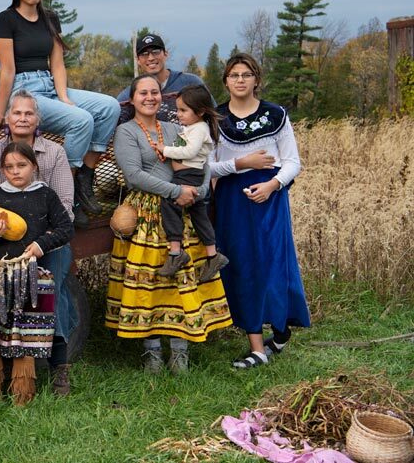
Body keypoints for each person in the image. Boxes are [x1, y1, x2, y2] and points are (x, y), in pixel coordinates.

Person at [106, 75, 232, 374]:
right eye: (143, 93)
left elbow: (202, 162)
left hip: (183, 210)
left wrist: (199, 193)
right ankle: (151, 352)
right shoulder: (126, 132)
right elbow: (134, 174)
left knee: (179, 282)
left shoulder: (178, 128)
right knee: (150, 282)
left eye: (154, 92)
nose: (149, 97)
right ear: (132, 99)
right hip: (149, 212)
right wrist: (176, 191)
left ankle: (179, 351)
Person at [0, 0, 120, 224]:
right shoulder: (6, 20)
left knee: (109, 107)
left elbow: (57, 63)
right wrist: (1, 115)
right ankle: (67, 192)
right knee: (81, 120)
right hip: (23, 91)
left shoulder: (50, 17)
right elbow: (7, 71)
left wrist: (65, 97)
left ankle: (85, 175)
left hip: (50, 86)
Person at [210, 53, 310, 369]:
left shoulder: (276, 115)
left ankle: (281, 329)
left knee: (275, 264)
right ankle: (257, 348)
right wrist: (240, 163)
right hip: (233, 202)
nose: (240, 80)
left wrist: (272, 185)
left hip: (270, 200)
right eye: (234, 75)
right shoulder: (216, 118)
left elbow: (293, 161)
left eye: (246, 74)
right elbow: (206, 167)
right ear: (225, 81)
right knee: (242, 267)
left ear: (256, 79)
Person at [0, 89, 82, 395]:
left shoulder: (53, 152)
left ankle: (60, 367)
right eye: (17, 112)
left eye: (29, 113)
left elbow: (64, 205)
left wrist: (42, 240)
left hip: (50, 240)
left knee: (50, 290)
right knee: (5, 295)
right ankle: (7, 364)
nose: (23, 118)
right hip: (9, 243)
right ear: (7, 117)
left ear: (37, 119)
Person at [0, 142, 72, 405]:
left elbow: (66, 229)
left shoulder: (46, 195)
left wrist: (42, 245)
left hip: (29, 274)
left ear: (34, 166)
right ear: (2, 170)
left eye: (21, 165)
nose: (15, 172)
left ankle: (22, 393)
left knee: (26, 333)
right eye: (9, 167)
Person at [155, 84, 229, 280]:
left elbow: (189, 152)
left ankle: (175, 252)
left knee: (169, 203)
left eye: (183, 110)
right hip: (191, 174)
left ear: (200, 111)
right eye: (177, 109)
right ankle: (212, 255)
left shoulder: (199, 129)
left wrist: (165, 149)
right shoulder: (191, 128)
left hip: (188, 176)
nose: (178, 114)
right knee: (199, 215)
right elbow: (183, 147)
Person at [117, 33, 207, 124]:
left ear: (165, 54)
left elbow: (212, 116)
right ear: (138, 60)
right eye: (144, 54)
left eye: (155, 52)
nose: (151, 58)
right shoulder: (127, 96)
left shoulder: (190, 82)